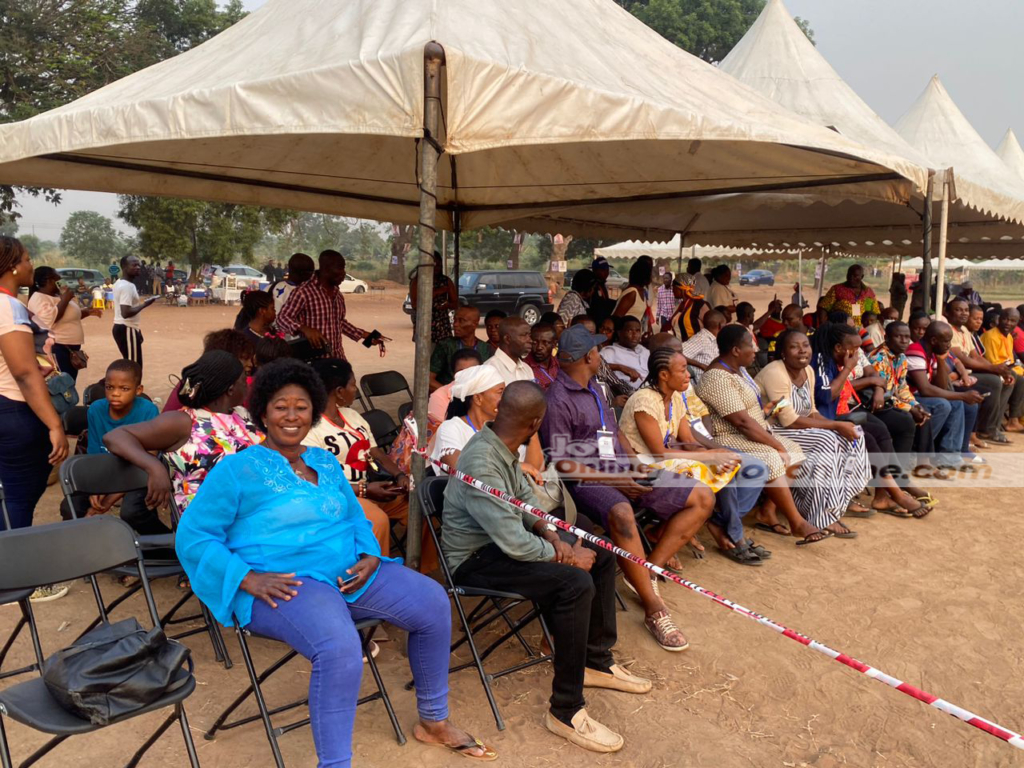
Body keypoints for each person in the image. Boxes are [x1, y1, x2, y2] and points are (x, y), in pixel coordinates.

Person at [175, 358, 495, 765]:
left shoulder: (324, 462)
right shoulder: (237, 470)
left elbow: (352, 515)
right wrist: (246, 578)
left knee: (432, 602)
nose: (291, 415)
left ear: (313, 413)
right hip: (283, 583)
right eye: (280, 406)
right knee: (340, 647)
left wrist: (370, 555)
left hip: (347, 572)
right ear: (262, 413)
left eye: (301, 406)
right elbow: (194, 535)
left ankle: (433, 721)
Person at [445, 381, 650, 753]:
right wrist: (565, 555)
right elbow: (514, 541)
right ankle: (565, 711)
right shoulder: (481, 460)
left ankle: (595, 661)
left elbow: (527, 504)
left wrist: (555, 537)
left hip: (502, 545)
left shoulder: (501, 443)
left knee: (600, 554)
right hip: (475, 560)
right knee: (574, 583)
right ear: (536, 422)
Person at [540, 325, 714, 652]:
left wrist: (634, 464)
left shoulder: (598, 387)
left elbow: (615, 433)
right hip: (586, 480)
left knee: (702, 496)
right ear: (588, 357)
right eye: (596, 350)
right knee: (621, 513)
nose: (599, 353)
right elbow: (561, 464)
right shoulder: (556, 400)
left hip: (623, 467)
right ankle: (653, 608)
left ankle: (647, 570)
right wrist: (616, 480)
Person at [618, 348, 771, 566]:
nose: (689, 374)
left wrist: (716, 455)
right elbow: (658, 453)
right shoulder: (644, 401)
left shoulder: (676, 398)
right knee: (711, 474)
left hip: (667, 461)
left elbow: (688, 440)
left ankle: (672, 531)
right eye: (683, 370)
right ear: (664, 375)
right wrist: (709, 457)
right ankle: (732, 535)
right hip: (644, 467)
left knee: (724, 467)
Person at [694, 325, 830, 546]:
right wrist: (776, 444)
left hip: (749, 431)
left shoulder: (739, 370)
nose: (756, 350)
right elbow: (741, 422)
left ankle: (767, 510)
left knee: (796, 450)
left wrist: (767, 411)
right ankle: (796, 521)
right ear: (736, 350)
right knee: (773, 457)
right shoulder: (717, 377)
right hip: (727, 436)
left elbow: (748, 412)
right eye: (751, 345)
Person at [103, 351, 263, 515]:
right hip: (208, 522)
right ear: (230, 389)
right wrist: (154, 467)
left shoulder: (242, 414)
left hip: (255, 510)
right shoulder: (184, 422)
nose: (248, 385)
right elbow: (116, 437)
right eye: (244, 380)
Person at [756, 330, 872, 535]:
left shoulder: (808, 371)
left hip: (797, 427)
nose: (802, 350)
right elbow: (787, 419)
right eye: (794, 346)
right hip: (771, 429)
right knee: (827, 441)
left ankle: (836, 503)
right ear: (782, 352)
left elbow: (811, 411)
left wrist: (840, 428)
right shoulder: (775, 372)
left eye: (806, 345)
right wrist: (835, 426)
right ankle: (820, 515)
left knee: (855, 434)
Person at [810, 322, 930, 514]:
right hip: (822, 417)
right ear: (839, 348)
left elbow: (878, 380)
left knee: (881, 430)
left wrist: (873, 384)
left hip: (841, 412)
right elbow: (826, 396)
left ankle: (883, 496)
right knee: (869, 438)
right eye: (855, 349)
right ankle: (896, 492)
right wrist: (848, 368)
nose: (859, 354)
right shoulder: (822, 361)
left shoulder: (838, 359)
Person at [304, 359, 415, 562]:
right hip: (342, 495)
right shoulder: (310, 428)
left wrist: (399, 476)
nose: (355, 390)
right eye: (353, 384)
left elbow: (377, 453)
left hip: (373, 488)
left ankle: (419, 568)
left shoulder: (352, 415)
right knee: (377, 520)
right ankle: (378, 580)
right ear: (338, 391)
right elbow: (319, 480)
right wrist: (365, 490)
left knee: (417, 504)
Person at [0, 237, 69, 533]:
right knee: (19, 497)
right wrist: (55, 425)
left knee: (9, 496)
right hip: (16, 410)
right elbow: (25, 373)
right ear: (13, 267)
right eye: (27, 259)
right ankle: (17, 574)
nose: (31, 265)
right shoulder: (8, 307)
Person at [277, 249, 388, 361]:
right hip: (315, 362)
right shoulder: (303, 292)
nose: (343, 273)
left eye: (344, 268)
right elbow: (282, 318)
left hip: (338, 358)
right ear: (325, 269)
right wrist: (304, 328)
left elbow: (339, 322)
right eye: (340, 268)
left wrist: (365, 335)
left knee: (351, 379)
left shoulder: (338, 295)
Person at [905, 322, 984, 474]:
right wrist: (962, 395)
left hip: (919, 395)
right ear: (934, 340)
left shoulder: (932, 353)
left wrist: (941, 360)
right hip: (907, 397)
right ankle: (917, 451)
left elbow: (941, 385)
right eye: (946, 341)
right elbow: (925, 389)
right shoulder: (916, 351)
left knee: (955, 403)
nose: (949, 345)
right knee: (943, 405)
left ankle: (949, 458)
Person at [944, 297, 1011, 444]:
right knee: (993, 382)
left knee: (1004, 378)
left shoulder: (964, 331)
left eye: (966, 310)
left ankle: (987, 428)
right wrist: (994, 369)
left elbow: (976, 356)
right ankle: (986, 429)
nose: (963, 313)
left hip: (967, 372)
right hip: (955, 374)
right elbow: (961, 358)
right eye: (958, 310)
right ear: (947, 312)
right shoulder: (947, 329)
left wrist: (996, 370)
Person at [27, 266, 101, 382]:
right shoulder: (39, 298)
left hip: (71, 348)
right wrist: (65, 299)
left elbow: (68, 318)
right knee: (61, 386)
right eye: (59, 279)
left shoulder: (57, 296)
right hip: (57, 348)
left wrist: (87, 312)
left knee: (69, 383)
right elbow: (49, 320)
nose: (62, 282)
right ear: (48, 280)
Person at [162, 329, 255, 413]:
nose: (250, 364)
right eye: (244, 358)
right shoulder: (191, 385)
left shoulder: (242, 393)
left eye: (250, 359)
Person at [572, 315, 632, 407]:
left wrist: (634, 395)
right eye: (583, 334)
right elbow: (581, 403)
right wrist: (612, 403)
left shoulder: (597, 358)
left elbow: (617, 382)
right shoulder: (568, 364)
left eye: (591, 334)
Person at [980, 307, 1024, 432]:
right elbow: (993, 363)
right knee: (1011, 378)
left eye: (1012, 321)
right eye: (1005, 319)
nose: (1008, 323)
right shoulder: (991, 336)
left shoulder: (1008, 336)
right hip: (989, 370)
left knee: (1020, 380)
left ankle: (1013, 421)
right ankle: (993, 425)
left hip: (1003, 369)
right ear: (999, 319)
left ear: (1017, 322)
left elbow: (1010, 361)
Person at [429, 305, 492, 392]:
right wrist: (450, 393)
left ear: (475, 324)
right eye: (454, 320)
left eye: (461, 321)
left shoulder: (486, 349)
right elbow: (428, 380)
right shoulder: (446, 346)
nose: (455, 324)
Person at [112, 255, 159, 370]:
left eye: (138, 264)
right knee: (134, 367)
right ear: (124, 267)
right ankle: (133, 388)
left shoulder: (119, 282)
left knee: (131, 364)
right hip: (126, 328)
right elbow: (126, 312)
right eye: (134, 265)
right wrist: (145, 305)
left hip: (125, 327)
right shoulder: (127, 287)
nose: (138, 267)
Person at [409, 251, 458, 344]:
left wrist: (447, 305)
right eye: (435, 264)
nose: (437, 267)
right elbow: (415, 305)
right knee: (425, 356)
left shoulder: (446, 281)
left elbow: (455, 304)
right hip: (424, 325)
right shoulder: (417, 281)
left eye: (439, 264)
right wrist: (436, 292)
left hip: (442, 326)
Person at [428, 348, 482, 424]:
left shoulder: (489, 392)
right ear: (453, 374)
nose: (466, 376)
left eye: (472, 371)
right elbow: (438, 431)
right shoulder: (439, 397)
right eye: (461, 372)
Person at [600, 316, 649, 390]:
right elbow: (595, 366)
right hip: (631, 393)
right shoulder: (610, 352)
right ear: (619, 333)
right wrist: (620, 367)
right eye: (630, 331)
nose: (635, 335)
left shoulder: (643, 350)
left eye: (638, 331)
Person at [482, 316, 534, 384]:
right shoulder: (489, 370)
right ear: (507, 339)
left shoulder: (527, 369)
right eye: (524, 335)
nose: (530, 340)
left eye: (529, 335)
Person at [612, 258, 655, 335]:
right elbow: (616, 318)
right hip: (626, 337)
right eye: (650, 274)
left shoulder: (642, 291)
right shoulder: (632, 293)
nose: (651, 277)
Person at [681, 310, 725, 384]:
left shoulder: (713, 339)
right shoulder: (701, 339)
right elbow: (677, 354)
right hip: (704, 384)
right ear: (720, 325)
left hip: (715, 380)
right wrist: (701, 365)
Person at [666, 274, 708, 341]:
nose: (672, 290)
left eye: (673, 287)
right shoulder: (682, 304)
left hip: (695, 347)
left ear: (680, 288)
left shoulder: (699, 304)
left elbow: (710, 325)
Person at [527, 323, 560, 390]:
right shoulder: (525, 367)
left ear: (554, 344)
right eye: (535, 342)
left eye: (545, 343)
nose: (539, 347)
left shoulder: (559, 364)